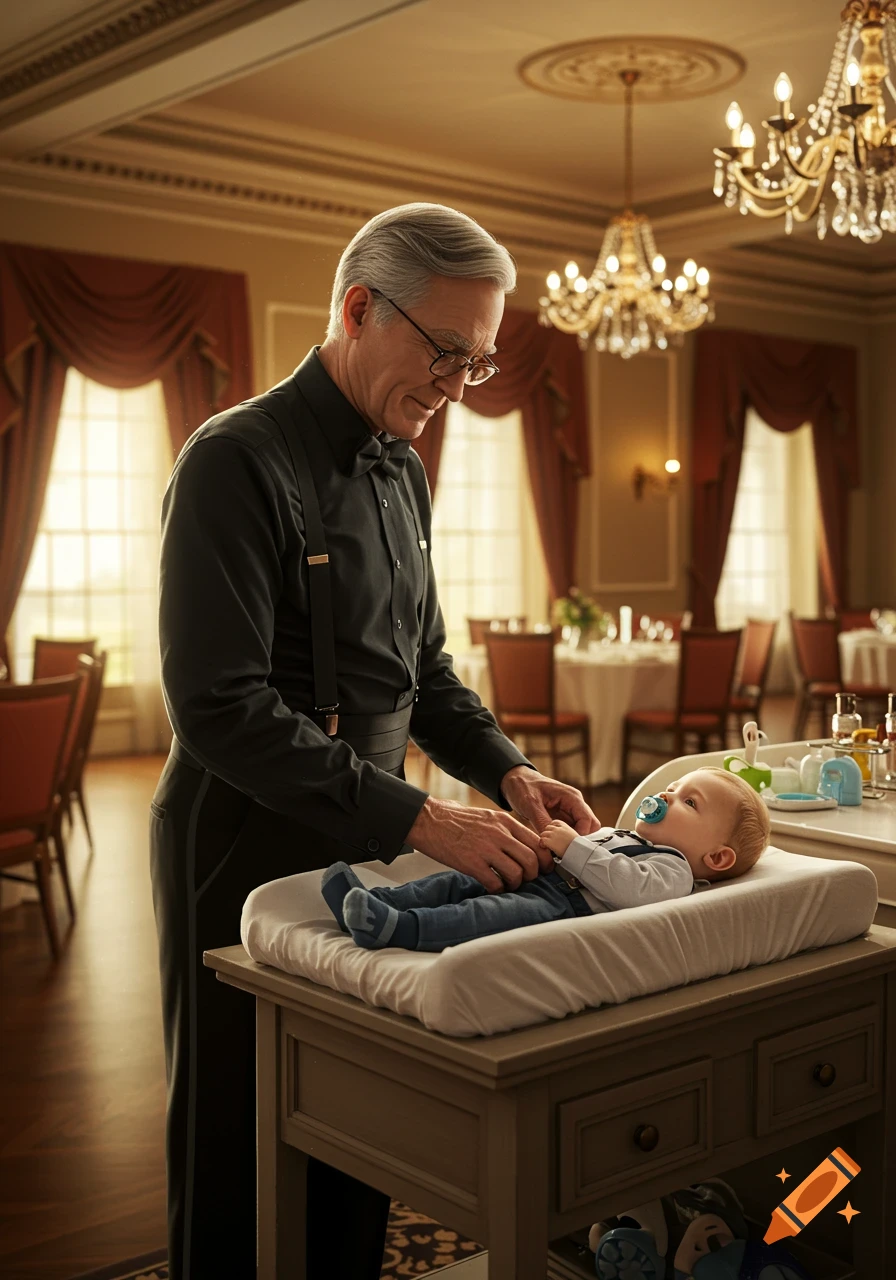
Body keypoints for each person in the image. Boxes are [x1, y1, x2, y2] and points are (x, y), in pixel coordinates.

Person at [150, 202, 599, 1280]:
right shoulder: (234, 460)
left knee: (350, 1120)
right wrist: (424, 818)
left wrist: (506, 771)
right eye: (447, 353)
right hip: (238, 841)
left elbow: (423, 670)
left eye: (477, 364)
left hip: (368, 836)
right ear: (358, 309)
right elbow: (217, 706)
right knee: (238, 1134)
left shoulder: (404, 468)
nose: (458, 387)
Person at [321, 768, 770, 952]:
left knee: (482, 914)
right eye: (672, 788)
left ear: (717, 856)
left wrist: (575, 847)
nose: (667, 796)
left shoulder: (675, 870)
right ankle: (379, 902)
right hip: (542, 875)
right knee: (456, 882)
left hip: (558, 904)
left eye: (689, 802)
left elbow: (628, 890)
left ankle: (401, 928)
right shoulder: (625, 835)